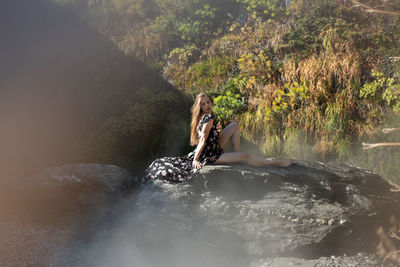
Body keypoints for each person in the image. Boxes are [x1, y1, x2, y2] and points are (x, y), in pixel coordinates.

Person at [143, 93, 291, 183]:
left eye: (208, 102)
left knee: (233, 125)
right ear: (199, 107)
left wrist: (218, 133)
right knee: (246, 156)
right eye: (203, 104)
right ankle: (276, 163)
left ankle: (236, 155)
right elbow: (202, 141)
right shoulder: (207, 118)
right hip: (210, 154)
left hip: (213, 147)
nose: (207, 105)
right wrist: (195, 159)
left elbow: (208, 138)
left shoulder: (204, 117)